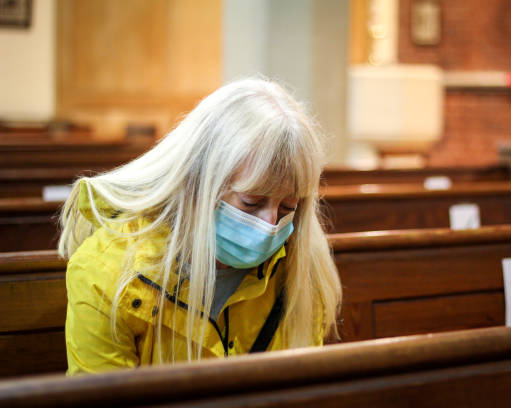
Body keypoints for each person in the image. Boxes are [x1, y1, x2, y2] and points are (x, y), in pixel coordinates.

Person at [59, 77, 343, 375]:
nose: (270, 225)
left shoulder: (302, 269)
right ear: (199, 181)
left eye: (287, 207)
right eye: (250, 203)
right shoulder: (108, 271)